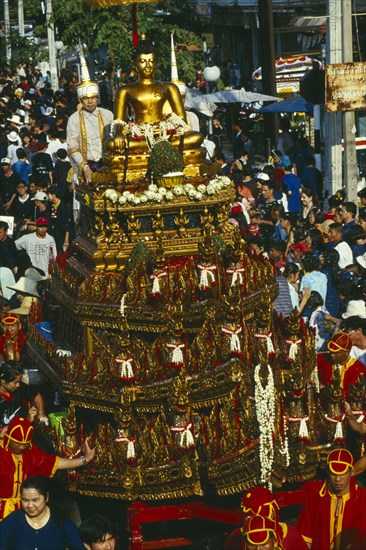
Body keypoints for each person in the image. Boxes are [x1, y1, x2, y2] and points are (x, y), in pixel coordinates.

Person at [105, 41, 203, 160]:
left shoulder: (169, 87)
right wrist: (120, 134)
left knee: (196, 137)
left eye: (151, 61)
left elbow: (182, 120)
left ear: (156, 63)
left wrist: (167, 126)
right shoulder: (125, 90)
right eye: (142, 61)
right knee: (111, 144)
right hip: (139, 135)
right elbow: (119, 121)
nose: (148, 65)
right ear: (134, 64)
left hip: (165, 133)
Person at [0, 415, 95, 520]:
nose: (21, 447)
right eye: (17, 443)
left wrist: (85, 459)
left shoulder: (31, 453)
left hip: (26, 510)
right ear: (8, 438)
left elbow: (57, 463)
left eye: (25, 444)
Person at [296, 448, 366, 549]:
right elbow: (305, 535)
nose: (337, 479)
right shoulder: (316, 494)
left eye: (342, 474)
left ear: (352, 472)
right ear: (328, 472)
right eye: (333, 474)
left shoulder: (362, 498)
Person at [0, 475, 85, 549]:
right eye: (25, 500)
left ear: (46, 497)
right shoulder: (12, 521)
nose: (30, 505)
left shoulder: (61, 522)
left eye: (35, 500)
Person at [67, 51, 114, 183]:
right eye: (86, 99)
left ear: (97, 98)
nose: (90, 101)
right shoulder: (74, 119)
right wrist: (85, 167)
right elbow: (72, 147)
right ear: (80, 101)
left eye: (93, 98)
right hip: (87, 165)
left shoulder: (107, 114)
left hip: (107, 164)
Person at [317, 331, 366, 399]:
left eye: (336, 353)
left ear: (346, 353)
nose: (332, 355)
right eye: (331, 352)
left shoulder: (358, 368)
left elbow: (351, 393)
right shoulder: (324, 359)